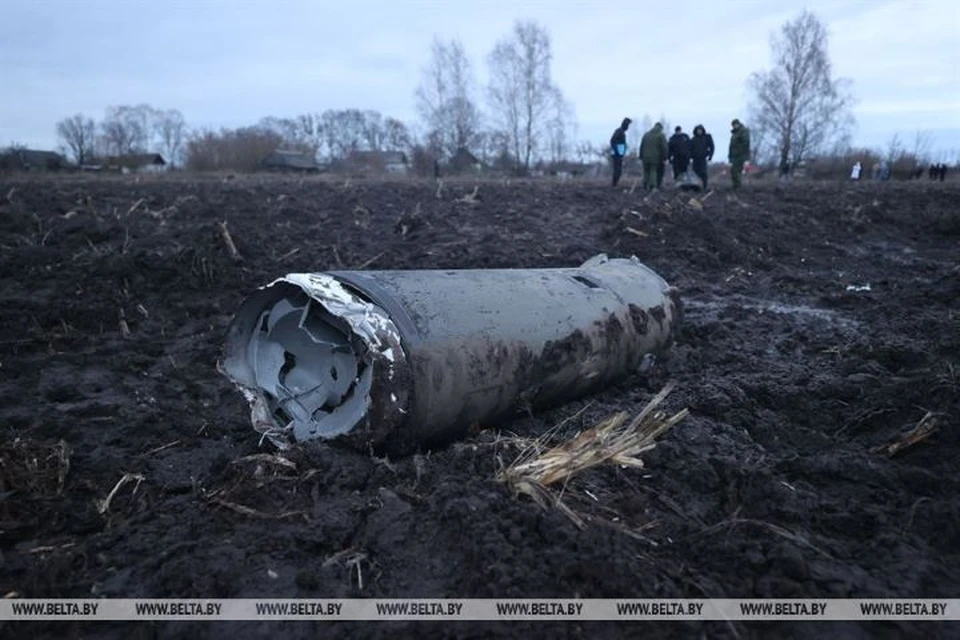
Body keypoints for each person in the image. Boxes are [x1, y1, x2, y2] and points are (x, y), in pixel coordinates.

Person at [639, 122, 668, 191]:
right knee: (653, 171)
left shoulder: (646, 134)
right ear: (661, 128)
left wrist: (641, 156)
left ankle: (645, 185)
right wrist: (665, 157)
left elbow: (641, 146)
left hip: (645, 157)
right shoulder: (661, 135)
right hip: (655, 157)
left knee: (646, 171)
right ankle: (652, 186)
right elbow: (664, 148)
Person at [689, 124, 714, 189]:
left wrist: (710, 156)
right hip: (695, 159)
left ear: (703, 130)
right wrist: (690, 156)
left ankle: (704, 186)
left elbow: (712, 147)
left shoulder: (706, 138)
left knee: (703, 173)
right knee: (695, 173)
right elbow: (689, 149)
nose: (699, 131)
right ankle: (696, 186)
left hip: (703, 158)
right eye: (698, 130)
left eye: (700, 130)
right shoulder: (693, 139)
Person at [728, 118, 751, 190]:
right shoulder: (734, 133)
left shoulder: (744, 131)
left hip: (741, 155)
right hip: (734, 156)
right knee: (733, 171)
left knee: (737, 171)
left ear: (738, 124)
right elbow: (731, 146)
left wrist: (745, 157)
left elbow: (746, 143)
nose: (734, 126)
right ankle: (735, 186)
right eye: (733, 125)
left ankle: (738, 187)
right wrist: (730, 156)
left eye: (735, 125)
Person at [609, 117, 631, 187]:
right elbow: (612, 141)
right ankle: (614, 184)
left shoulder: (621, 132)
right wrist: (617, 151)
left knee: (618, 170)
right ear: (625, 125)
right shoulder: (619, 131)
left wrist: (622, 151)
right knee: (617, 170)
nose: (628, 127)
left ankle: (615, 184)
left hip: (619, 154)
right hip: (617, 154)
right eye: (628, 125)